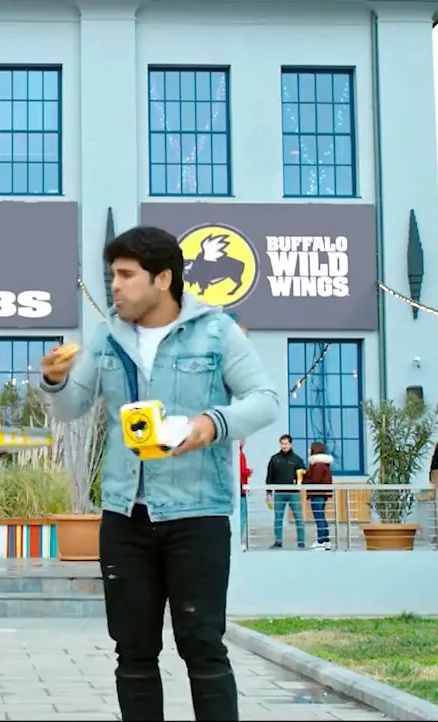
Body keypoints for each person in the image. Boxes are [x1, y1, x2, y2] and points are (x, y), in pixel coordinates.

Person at [37, 225, 279, 722]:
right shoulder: (107, 337)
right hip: (124, 515)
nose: (115, 287)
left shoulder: (217, 332)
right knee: (133, 651)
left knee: (203, 644)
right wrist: (54, 381)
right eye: (113, 276)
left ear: (163, 278)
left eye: (126, 275)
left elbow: (265, 400)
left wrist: (212, 423)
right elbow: (71, 409)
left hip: (198, 514)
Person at [263, 435, 307, 549]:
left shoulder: (297, 459)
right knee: (278, 518)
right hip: (279, 493)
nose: (284, 446)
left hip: (294, 493)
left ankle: (301, 542)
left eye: (286, 443)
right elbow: (270, 476)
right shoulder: (275, 459)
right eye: (282, 443)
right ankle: (278, 541)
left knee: (298, 517)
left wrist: (303, 475)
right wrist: (268, 492)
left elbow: (303, 475)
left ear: (290, 444)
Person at [302, 441, 335, 551]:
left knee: (319, 517)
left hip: (317, 493)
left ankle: (321, 541)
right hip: (322, 493)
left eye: (310, 448)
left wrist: (304, 478)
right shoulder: (323, 464)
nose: (308, 450)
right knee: (321, 517)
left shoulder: (317, 464)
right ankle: (326, 540)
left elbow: (315, 480)